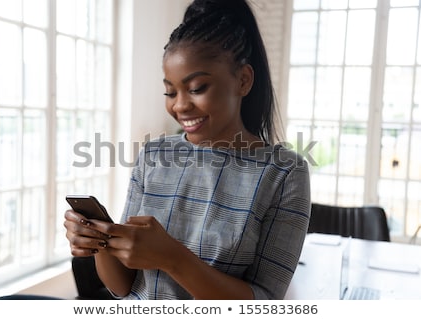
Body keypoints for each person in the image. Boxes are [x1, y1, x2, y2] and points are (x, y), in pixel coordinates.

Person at [64, 0, 311, 300]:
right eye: (170, 91)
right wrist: (100, 242)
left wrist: (173, 258)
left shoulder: (283, 173)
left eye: (197, 88)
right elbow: (121, 286)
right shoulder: (153, 156)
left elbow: (264, 303)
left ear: (243, 80)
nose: (179, 106)